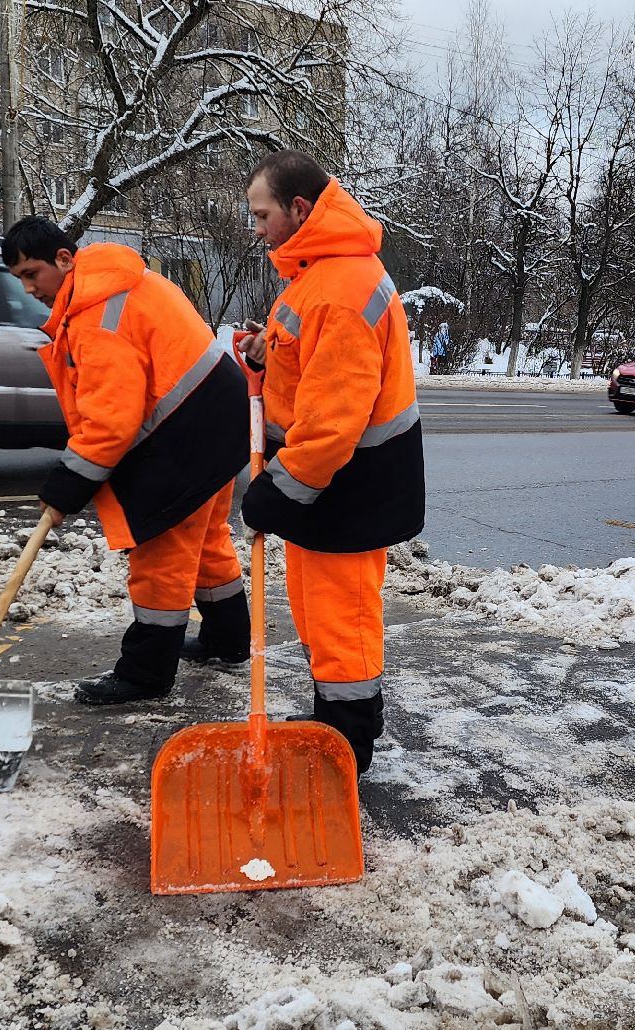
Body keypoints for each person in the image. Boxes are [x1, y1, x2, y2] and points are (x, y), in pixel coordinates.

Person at [3, 217, 251, 705]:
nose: (29, 289)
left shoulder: (96, 313)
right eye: (20, 280)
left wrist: (65, 488)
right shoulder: (118, 281)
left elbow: (111, 421)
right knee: (206, 542)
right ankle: (227, 640)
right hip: (217, 422)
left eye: (32, 273)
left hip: (186, 434)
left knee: (159, 555)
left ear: (63, 259)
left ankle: (144, 675)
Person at [237, 149, 424, 773]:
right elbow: (309, 361)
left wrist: (276, 491)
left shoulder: (340, 288)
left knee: (342, 619)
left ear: (298, 209)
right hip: (327, 486)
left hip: (348, 485)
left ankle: (347, 742)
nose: (257, 229)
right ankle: (335, 720)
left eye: (262, 215)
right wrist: (266, 350)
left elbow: (332, 421)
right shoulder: (319, 273)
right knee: (319, 612)